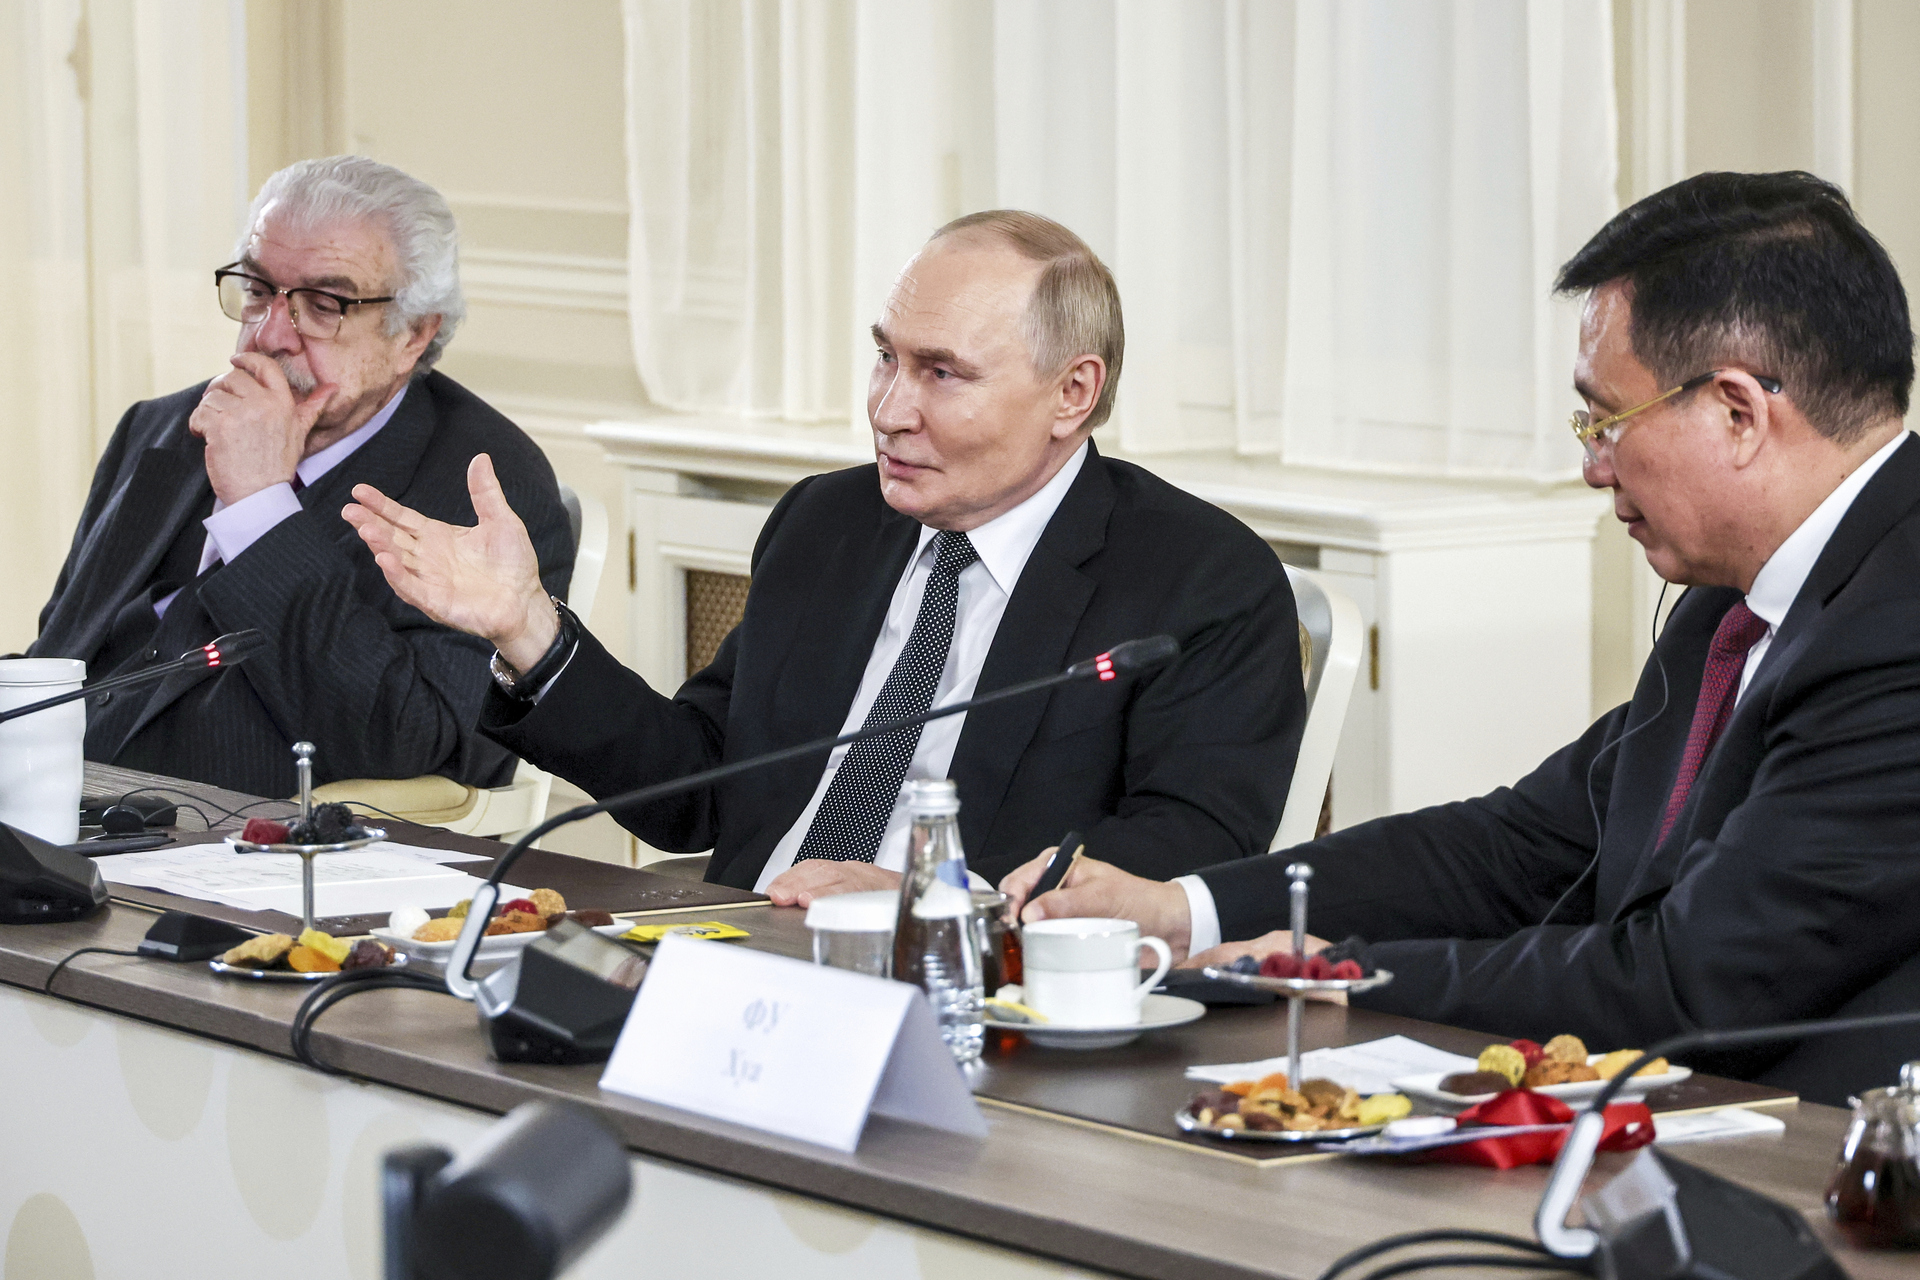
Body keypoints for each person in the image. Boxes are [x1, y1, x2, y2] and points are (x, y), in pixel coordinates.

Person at [1003, 171, 1920, 1105]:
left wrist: (1344, 976)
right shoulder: (1734, 602)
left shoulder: (1898, 632)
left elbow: (1692, 982)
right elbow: (1517, 847)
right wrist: (1184, 909)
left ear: (1738, 413)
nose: (1592, 467)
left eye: (1604, 420)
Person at [344, 210, 1305, 894]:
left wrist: (935, 900)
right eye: (886, 356)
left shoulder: (1202, 584)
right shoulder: (830, 523)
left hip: (969, 997)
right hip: (742, 948)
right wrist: (530, 630)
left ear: (1072, 393)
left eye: (943, 374)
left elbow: (1191, 848)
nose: (889, 410)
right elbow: (700, 792)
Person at [31, 156, 573, 799]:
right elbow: (57, 660)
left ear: (413, 336)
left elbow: (415, 749)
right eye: (258, 291)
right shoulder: (161, 429)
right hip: (51, 818)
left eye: (323, 305)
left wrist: (260, 506)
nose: (269, 334)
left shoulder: (484, 485)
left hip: (254, 858)